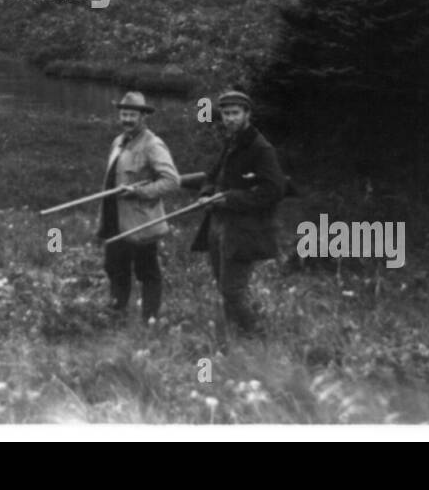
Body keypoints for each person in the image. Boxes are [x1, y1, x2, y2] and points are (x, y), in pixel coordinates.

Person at [190, 90, 288, 338]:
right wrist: (206, 193)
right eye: (226, 113)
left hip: (244, 230)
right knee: (225, 287)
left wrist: (231, 198)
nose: (230, 118)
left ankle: (258, 338)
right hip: (218, 224)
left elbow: (274, 190)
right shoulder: (232, 141)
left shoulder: (260, 148)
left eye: (235, 113)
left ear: (247, 114)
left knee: (233, 290)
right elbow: (213, 175)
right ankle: (234, 337)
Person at [96, 91, 181, 323]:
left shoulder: (152, 144)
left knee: (147, 272)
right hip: (116, 219)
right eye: (124, 114)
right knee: (115, 267)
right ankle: (117, 312)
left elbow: (172, 180)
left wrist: (140, 192)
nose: (127, 119)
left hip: (142, 222)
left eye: (132, 114)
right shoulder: (118, 141)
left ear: (143, 116)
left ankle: (150, 320)